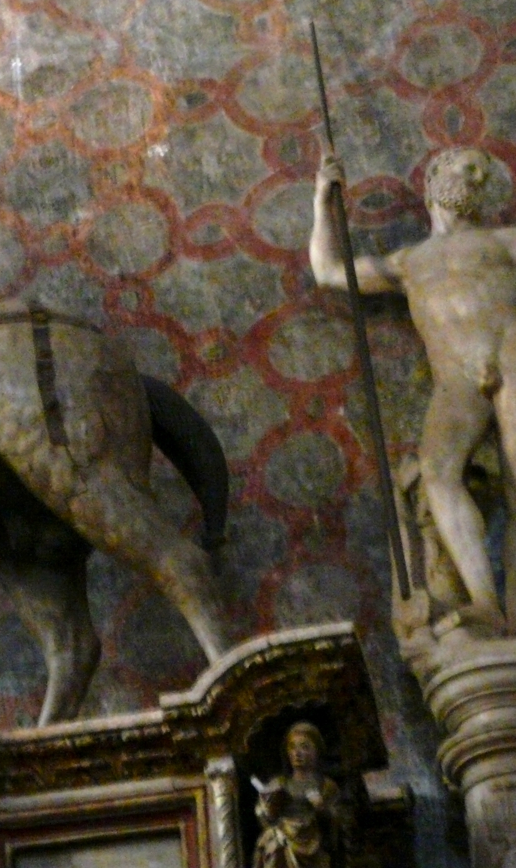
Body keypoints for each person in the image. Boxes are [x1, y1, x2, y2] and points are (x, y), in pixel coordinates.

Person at [310, 147, 513, 629]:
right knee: (438, 473)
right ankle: (486, 603)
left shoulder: (505, 241)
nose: (475, 173)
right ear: (434, 177)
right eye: (464, 165)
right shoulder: (407, 261)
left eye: (480, 171)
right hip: (457, 378)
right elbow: (328, 272)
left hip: (510, 363)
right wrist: (323, 202)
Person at [252, 721, 347, 868]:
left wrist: (322, 809)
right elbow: (264, 817)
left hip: (314, 843)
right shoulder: (279, 783)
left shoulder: (326, 785)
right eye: (292, 747)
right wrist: (269, 805)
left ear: (316, 751)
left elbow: (339, 825)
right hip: (283, 842)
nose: (297, 753)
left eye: (304, 747)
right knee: (273, 841)